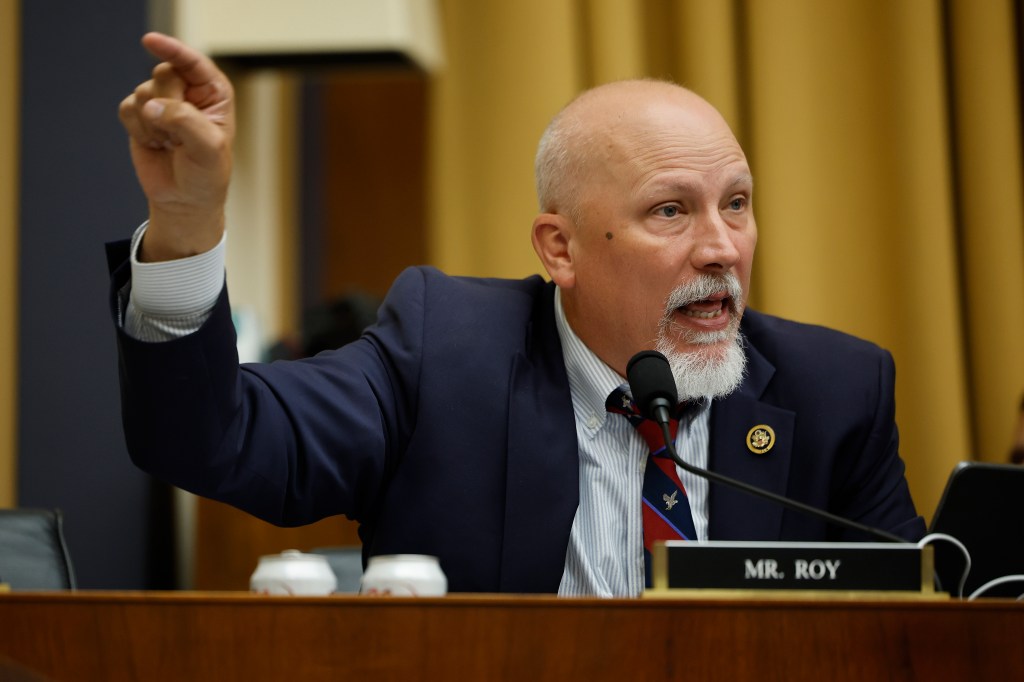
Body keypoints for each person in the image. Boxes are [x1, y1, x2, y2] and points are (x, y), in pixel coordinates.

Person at [111, 33, 925, 597]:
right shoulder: (444, 354)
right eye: (671, 212)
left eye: (737, 205)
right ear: (559, 249)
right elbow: (213, 438)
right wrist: (187, 228)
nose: (722, 248)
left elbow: (916, 636)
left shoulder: (835, 394)